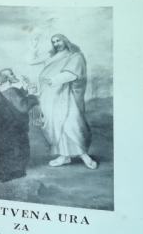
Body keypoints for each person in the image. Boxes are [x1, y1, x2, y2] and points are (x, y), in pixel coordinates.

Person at [31, 34, 97, 169]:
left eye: (58, 40)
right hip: (50, 96)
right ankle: (64, 156)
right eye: (53, 42)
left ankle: (84, 155)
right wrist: (34, 46)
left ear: (65, 41)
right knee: (57, 126)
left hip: (67, 95)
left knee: (71, 123)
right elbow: (31, 61)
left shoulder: (75, 56)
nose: (56, 43)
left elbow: (72, 74)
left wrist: (53, 80)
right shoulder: (51, 56)